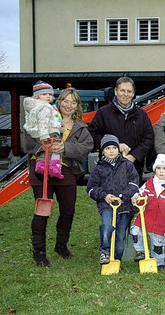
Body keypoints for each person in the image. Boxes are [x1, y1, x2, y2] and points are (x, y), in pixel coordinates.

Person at [23, 87, 93, 266]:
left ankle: (61, 246)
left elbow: (86, 147)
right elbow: (27, 143)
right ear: (59, 101)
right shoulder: (42, 114)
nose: (68, 105)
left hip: (66, 170)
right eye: (65, 101)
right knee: (42, 210)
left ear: (78, 106)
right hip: (41, 169)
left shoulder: (80, 127)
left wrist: (65, 148)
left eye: (73, 102)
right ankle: (39, 252)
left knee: (68, 210)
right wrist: (44, 147)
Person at [88, 77, 155, 182]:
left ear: (133, 94)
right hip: (108, 167)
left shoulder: (142, 115)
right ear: (115, 91)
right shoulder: (103, 113)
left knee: (132, 196)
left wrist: (134, 156)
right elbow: (93, 134)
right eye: (122, 90)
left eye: (129, 91)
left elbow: (148, 138)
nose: (126, 94)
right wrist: (114, 146)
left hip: (134, 167)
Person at [86, 134, 139, 264]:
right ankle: (105, 251)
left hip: (125, 206)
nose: (111, 151)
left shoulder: (127, 165)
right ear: (102, 151)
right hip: (107, 205)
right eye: (107, 148)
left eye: (114, 148)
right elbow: (91, 188)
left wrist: (123, 196)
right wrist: (105, 196)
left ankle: (117, 258)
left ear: (118, 149)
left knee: (120, 235)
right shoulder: (99, 168)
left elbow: (134, 183)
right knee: (107, 226)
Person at [130, 154, 165, 270]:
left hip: (160, 223)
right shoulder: (148, 184)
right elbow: (140, 195)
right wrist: (136, 198)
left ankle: (159, 263)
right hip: (145, 218)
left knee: (158, 245)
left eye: (164, 168)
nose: (161, 171)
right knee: (135, 232)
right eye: (158, 168)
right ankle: (142, 251)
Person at [23, 80, 64, 179]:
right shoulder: (44, 107)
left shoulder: (34, 107)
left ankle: (40, 165)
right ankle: (55, 166)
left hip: (37, 133)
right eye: (44, 94)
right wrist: (44, 135)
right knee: (57, 147)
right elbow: (43, 122)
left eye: (50, 94)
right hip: (49, 131)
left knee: (44, 151)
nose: (48, 96)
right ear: (37, 96)